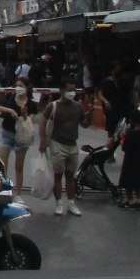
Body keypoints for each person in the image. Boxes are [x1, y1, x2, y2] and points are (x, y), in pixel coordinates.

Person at [39, 76, 87, 217]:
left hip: (73, 145)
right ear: (61, 90)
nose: (72, 93)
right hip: (57, 144)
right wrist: (43, 141)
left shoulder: (78, 106)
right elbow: (42, 123)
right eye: (69, 90)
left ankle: (71, 203)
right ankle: (59, 203)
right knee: (58, 175)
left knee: (71, 176)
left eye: (74, 90)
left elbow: (84, 124)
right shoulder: (53, 106)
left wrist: (89, 117)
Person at [0, 78, 37, 197]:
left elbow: (29, 123)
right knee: (2, 166)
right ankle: (3, 190)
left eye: (21, 86)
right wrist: (10, 110)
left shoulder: (31, 104)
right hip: (7, 133)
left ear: (27, 88)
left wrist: (24, 115)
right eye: (16, 85)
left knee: (19, 167)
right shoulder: (10, 97)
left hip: (21, 137)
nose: (18, 88)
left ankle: (18, 195)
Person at [118, 109, 140, 210]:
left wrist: (122, 140)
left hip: (129, 161)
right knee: (137, 182)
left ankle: (130, 201)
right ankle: (139, 201)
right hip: (139, 160)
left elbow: (125, 148)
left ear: (132, 120)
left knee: (128, 182)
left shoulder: (131, 133)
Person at [98, 66, 125, 150]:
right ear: (112, 70)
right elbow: (100, 94)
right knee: (111, 132)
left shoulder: (123, 81)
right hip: (111, 110)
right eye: (116, 68)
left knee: (123, 131)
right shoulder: (106, 81)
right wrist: (106, 102)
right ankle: (110, 152)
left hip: (123, 109)